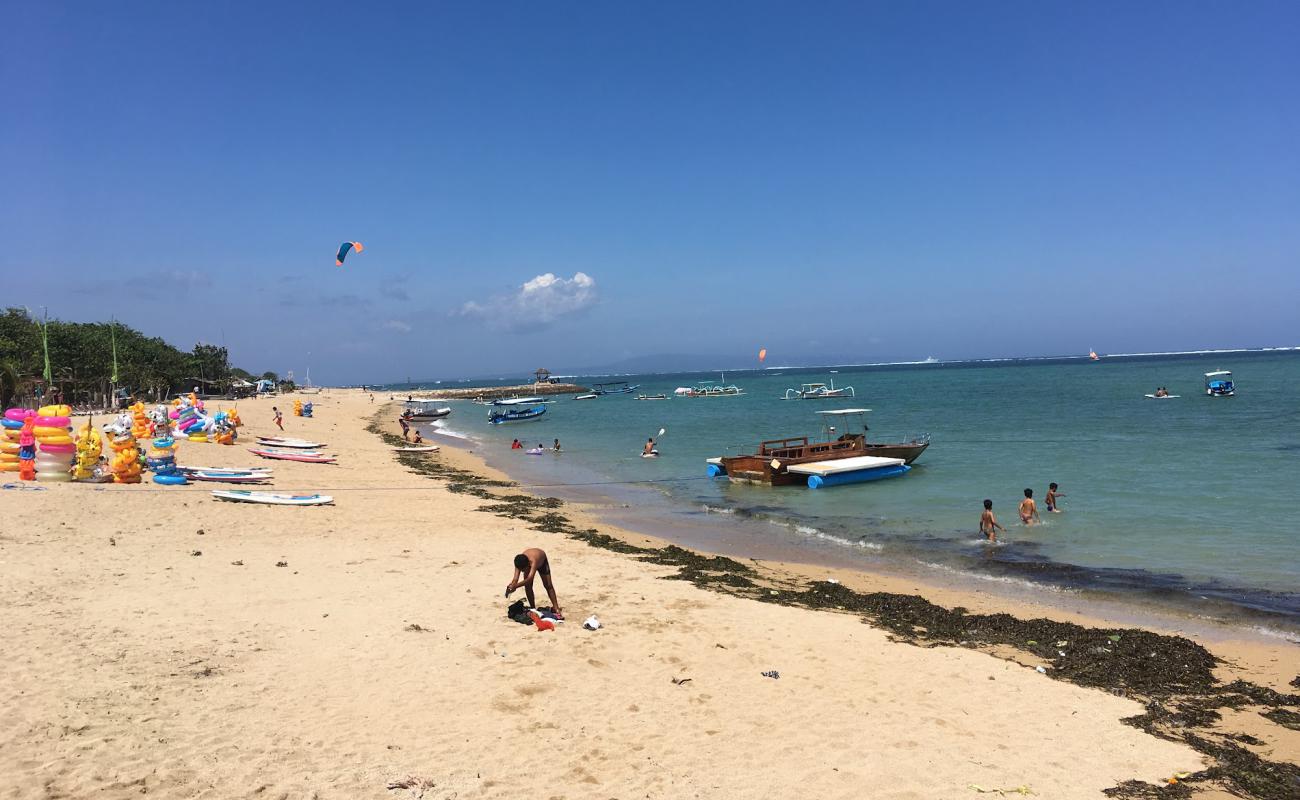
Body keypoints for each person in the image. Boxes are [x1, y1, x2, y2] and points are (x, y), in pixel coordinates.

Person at [505, 547, 562, 618]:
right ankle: (533, 608)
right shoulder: (518, 562)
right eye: (521, 570)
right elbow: (515, 579)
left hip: (542, 561)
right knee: (528, 586)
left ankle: (556, 608)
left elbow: (529, 578)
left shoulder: (533, 561)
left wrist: (516, 586)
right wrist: (511, 587)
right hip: (527, 562)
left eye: (523, 570)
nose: (522, 572)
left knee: (548, 585)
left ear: (528, 564)